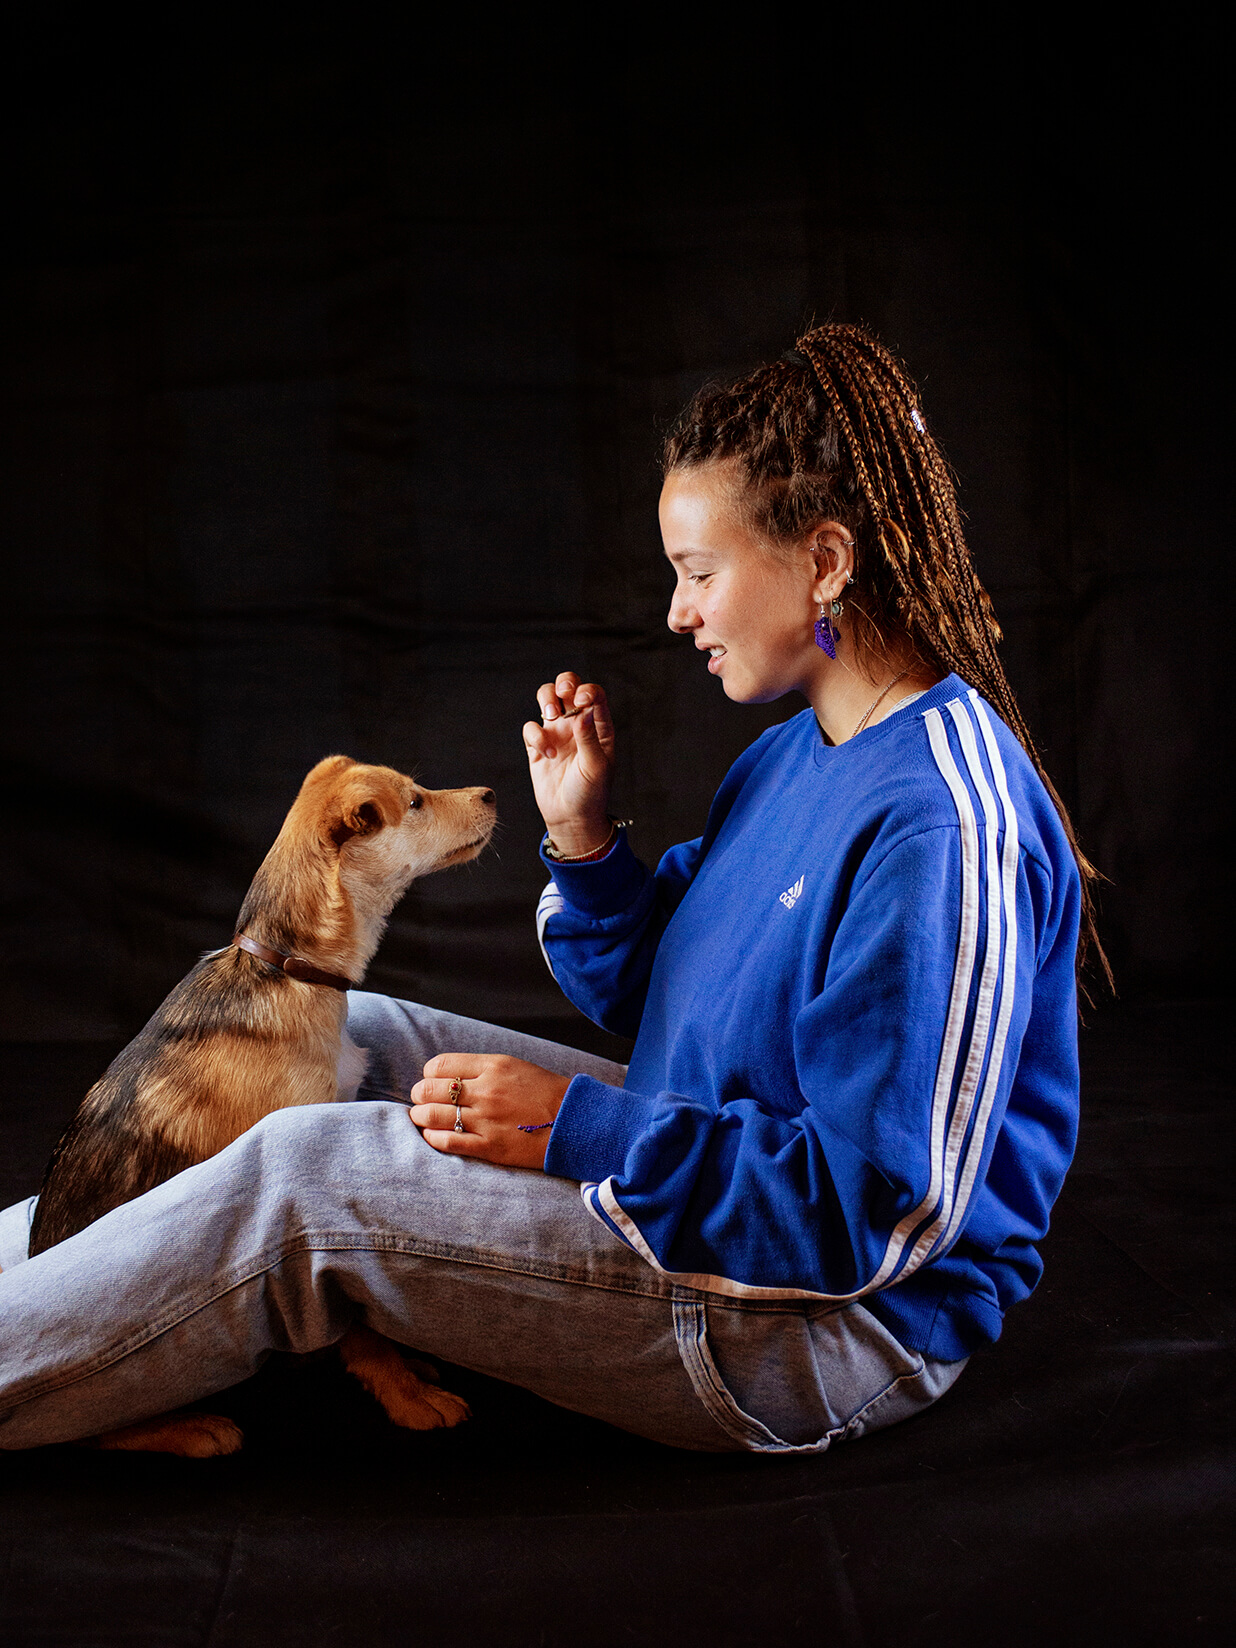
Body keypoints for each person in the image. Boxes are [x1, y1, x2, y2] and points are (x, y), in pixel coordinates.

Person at [0, 324, 1097, 1456]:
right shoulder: (797, 750)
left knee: (310, 1165)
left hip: (819, 1329)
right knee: (345, 1036)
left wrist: (580, 1130)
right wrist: (581, 839)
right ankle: (40, 1279)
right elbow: (664, 1003)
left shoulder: (940, 823)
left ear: (823, 563)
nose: (678, 613)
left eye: (699, 573)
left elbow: (875, 1214)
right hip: (707, 1179)